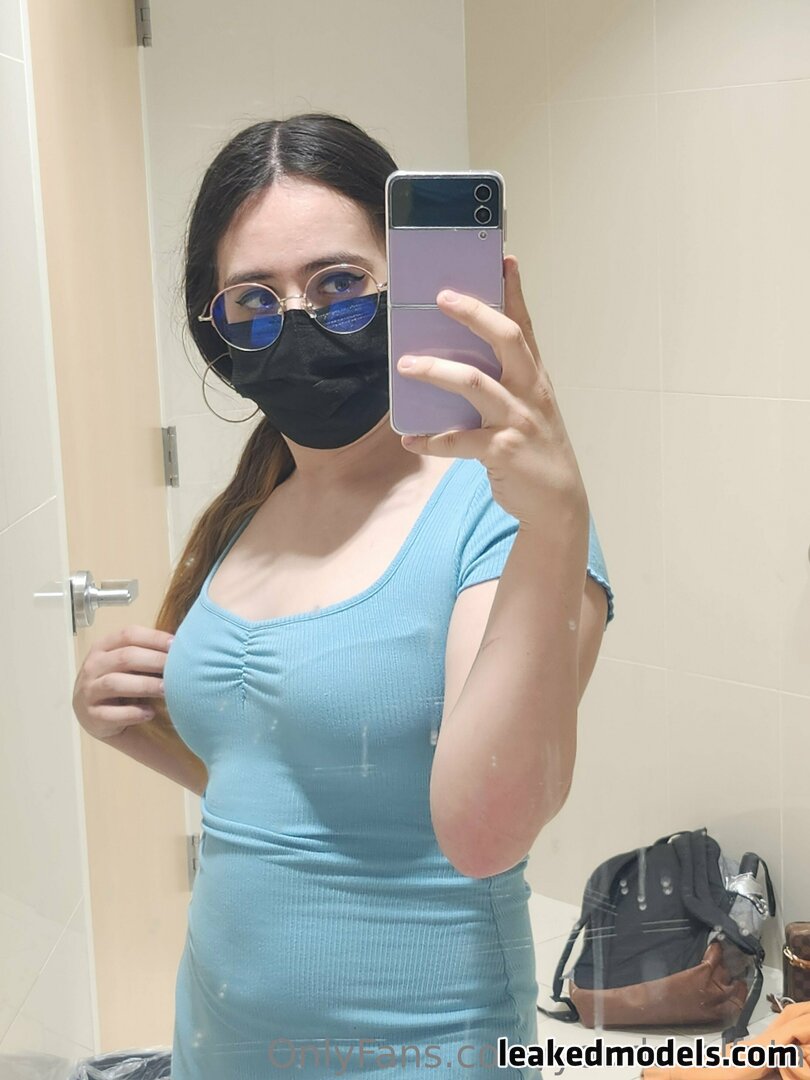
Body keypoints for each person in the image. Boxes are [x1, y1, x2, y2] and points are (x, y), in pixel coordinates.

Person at [72, 113, 615, 1079]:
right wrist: (132, 728)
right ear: (215, 329)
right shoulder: (253, 506)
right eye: (254, 297)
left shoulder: (502, 516)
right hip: (214, 1047)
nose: (298, 321)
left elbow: (485, 833)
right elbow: (302, 794)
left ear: (412, 289)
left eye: (337, 284)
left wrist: (559, 517)